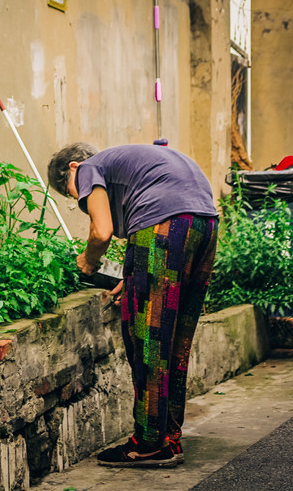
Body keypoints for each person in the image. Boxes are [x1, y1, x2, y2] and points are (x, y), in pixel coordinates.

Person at [47, 142, 219, 468]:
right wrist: (136, 272)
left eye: (72, 195)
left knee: (148, 340)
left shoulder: (87, 168)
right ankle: (169, 437)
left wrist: (86, 263)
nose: (79, 200)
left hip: (164, 224)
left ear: (72, 167)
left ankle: (148, 444)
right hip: (205, 224)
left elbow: (102, 232)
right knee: (177, 341)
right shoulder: (131, 164)